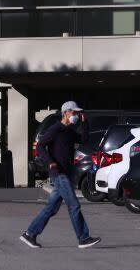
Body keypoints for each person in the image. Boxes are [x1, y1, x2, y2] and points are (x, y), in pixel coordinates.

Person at [20, 101, 101, 249]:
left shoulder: (69, 131)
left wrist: (84, 123)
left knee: (51, 208)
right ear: (66, 113)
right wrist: (50, 161)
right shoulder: (55, 129)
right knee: (74, 205)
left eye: (77, 113)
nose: (76, 115)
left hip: (66, 173)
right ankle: (83, 238)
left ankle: (29, 234)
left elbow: (83, 139)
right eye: (74, 113)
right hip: (58, 174)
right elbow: (39, 146)